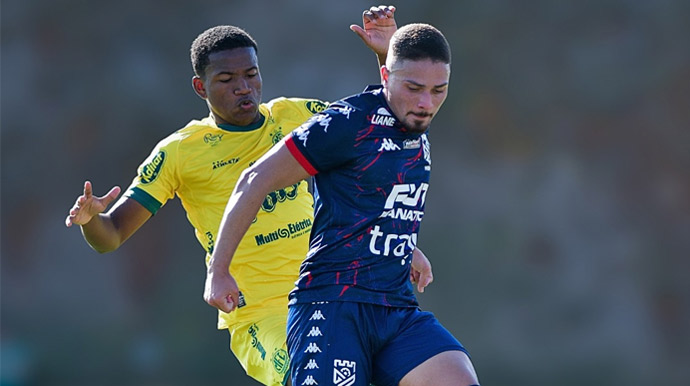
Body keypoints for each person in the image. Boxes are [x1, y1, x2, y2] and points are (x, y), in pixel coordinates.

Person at [65, 6, 434, 386]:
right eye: (226, 79)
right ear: (200, 87)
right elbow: (111, 236)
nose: (243, 87)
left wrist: (384, 52)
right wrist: (91, 220)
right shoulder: (179, 152)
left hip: (337, 290)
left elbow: (378, 130)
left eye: (251, 75)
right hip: (262, 315)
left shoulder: (294, 116)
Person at [205, 23, 480, 386]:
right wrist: (218, 270)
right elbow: (254, 180)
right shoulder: (346, 123)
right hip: (333, 307)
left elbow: (371, 190)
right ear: (386, 78)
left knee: (457, 379)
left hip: (395, 308)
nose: (426, 102)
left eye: (438, 90)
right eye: (414, 88)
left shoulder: (412, 117)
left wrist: (406, 243)